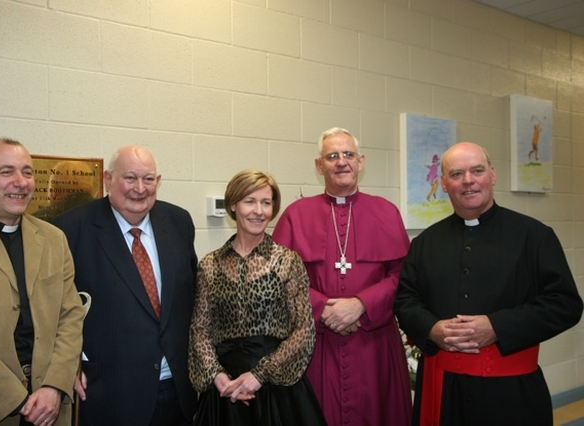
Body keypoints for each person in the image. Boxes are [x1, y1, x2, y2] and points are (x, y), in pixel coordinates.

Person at [394, 141, 583, 426]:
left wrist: (496, 327)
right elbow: (405, 301)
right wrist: (432, 329)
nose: (467, 180)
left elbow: (565, 304)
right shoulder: (425, 243)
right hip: (444, 393)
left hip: (511, 395)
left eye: (477, 170)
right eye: (456, 174)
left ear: (492, 175)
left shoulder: (534, 236)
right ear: (443, 183)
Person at [272, 128, 412, 426]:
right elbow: (280, 277)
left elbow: (403, 275)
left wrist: (361, 304)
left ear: (361, 162)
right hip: (316, 345)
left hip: (374, 347)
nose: (341, 162)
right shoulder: (295, 215)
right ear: (319, 165)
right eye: (332, 156)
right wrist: (323, 309)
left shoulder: (387, 212)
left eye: (348, 154)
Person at [53, 145, 198, 425]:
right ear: (108, 179)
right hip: (109, 391)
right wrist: (65, 365)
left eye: (148, 179)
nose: (140, 188)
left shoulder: (179, 222)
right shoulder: (71, 229)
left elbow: (190, 297)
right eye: (130, 178)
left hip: (177, 389)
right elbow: (55, 309)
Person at [0, 138, 84, 426]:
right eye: (6, 172)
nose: (21, 182)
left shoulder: (53, 239)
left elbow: (70, 316)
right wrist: (17, 400)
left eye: (28, 172)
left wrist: (55, 385)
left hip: (50, 406)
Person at [188, 169, 327, 426]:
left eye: (266, 203)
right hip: (224, 392)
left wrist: (259, 375)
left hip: (275, 389)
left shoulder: (287, 261)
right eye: (250, 201)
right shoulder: (210, 264)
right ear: (233, 205)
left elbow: (303, 330)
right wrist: (217, 377)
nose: (259, 211)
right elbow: (200, 330)